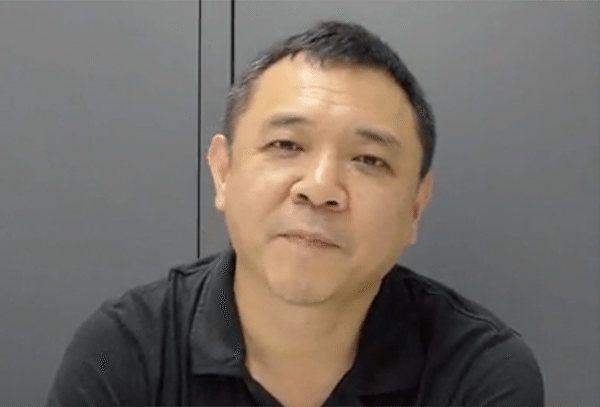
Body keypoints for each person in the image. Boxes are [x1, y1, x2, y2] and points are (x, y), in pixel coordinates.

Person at [46, 20, 544, 406]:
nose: (320, 188)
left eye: (369, 160)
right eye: (286, 144)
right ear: (223, 172)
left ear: (416, 205)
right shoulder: (123, 352)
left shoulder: (480, 374)